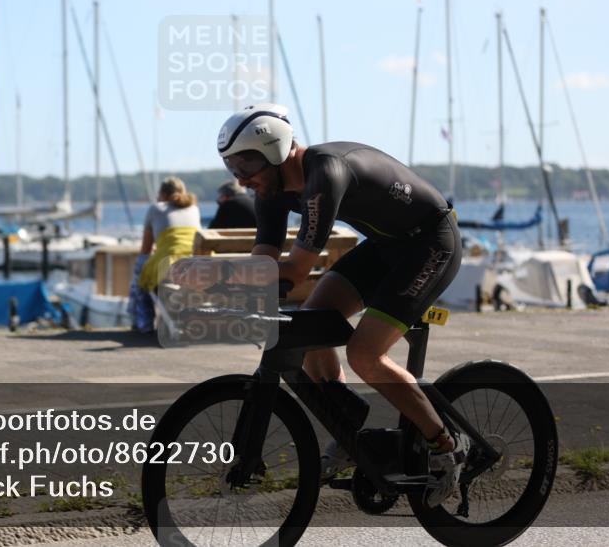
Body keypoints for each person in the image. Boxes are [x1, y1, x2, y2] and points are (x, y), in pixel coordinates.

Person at [173, 103, 466, 507]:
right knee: (309, 329)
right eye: (232, 166)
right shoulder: (269, 192)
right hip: (386, 247)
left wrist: (218, 272)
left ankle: (446, 446)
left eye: (246, 164)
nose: (240, 178)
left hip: (430, 243)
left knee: (364, 355)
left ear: (275, 150)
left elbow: (294, 270)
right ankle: (348, 431)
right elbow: (263, 266)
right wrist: (218, 289)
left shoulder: (325, 173)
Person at [128, 177, 201, 334]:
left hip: (171, 265)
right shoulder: (194, 208)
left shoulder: (156, 208)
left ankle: (144, 322)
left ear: (162, 194)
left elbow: (146, 249)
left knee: (141, 269)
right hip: (199, 265)